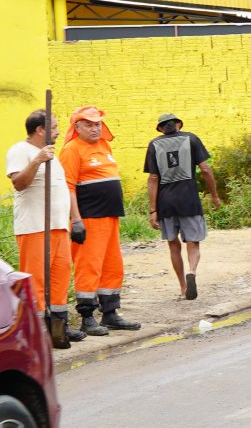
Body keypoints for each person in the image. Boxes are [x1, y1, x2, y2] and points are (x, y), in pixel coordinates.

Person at [5, 109, 85, 343]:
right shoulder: (20, 150)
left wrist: (73, 219)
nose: (59, 132)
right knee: (36, 280)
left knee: (60, 277)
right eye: (54, 127)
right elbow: (19, 184)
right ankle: (37, 331)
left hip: (58, 227)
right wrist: (37, 160)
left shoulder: (51, 154)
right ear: (40, 130)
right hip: (35, 227)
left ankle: (59, 328)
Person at [58, 106, 139, 334]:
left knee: (112, 266)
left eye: (97, 124)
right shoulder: (72, 150)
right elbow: (68, 187)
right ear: (77, 127)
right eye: (89, 125)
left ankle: (110, 313)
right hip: (89, 219)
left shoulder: (104, 145)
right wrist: (76, 220)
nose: (95, 129)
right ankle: (87, 317)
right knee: (88, 267)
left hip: (110, 217)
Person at [145, 113, 223, 301]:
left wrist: (153, 210)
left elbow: (153, 178)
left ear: (160, 129)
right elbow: (205, 169)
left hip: (165, 203)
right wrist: (214, 196)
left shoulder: (154, 145)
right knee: (192, 242)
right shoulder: (192, 139)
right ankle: (193, 272)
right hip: (189, 200)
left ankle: (182, 287)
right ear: (179, 124)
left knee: (173, 244)